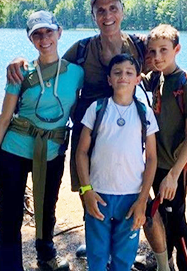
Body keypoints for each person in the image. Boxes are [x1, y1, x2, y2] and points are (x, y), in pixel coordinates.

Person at [6, 0, 187, 270]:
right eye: (100, 10)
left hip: (127, 136)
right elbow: (49, 69)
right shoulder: (82, 49)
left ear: (122, 11)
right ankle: (100, 247)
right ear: (93, 16)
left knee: (142, 203)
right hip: (87, 135)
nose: (107, 15)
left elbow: (167, 60)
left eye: (113, 8)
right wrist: (18, 62)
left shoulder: (138, 46)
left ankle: (159, 262)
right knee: (90, 195)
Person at [0, 10, 84, 271]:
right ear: (31, 40)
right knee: (9, 217)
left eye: (48, 31)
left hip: (52, 152)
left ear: (59, 32)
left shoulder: (77, 73)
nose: (44, 38)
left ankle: (46, 257)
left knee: (47, 209)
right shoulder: (20, 72)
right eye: (37, 34)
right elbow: (4, 118)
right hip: (13, 151)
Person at [76, 53, 158, 271]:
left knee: (124, 257)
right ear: (109, 79)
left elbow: (151, 159)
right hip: (99, 194)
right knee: (97, 255)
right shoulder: (97, 108)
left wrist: (142, 200)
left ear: (137, 80)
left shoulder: (144, 112)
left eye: (130, 73)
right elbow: (81, 152)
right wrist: (87, 190)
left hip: (131, 197)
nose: (124, 76)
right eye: (118, 72)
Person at [143, 24, 187, 271]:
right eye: (153, 51)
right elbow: (134, 77)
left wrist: (174, 176)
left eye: (164, 50)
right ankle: (163, 263)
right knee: (162, 216)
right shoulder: (157, 78)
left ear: (177, 49)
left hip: (173, 168)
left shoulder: (186, 85)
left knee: (177, 221)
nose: (158, 57)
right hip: (155, 163)